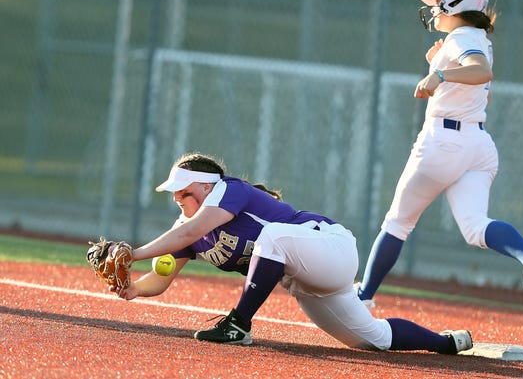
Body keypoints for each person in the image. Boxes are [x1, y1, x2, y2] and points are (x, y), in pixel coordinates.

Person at [112, 152, 473, 354]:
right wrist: (132, 287)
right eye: (174, 193)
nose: (176, 197)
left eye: (183, 190)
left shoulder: (228, 191)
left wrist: (134, 250)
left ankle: (238, 325)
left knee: (273, 237)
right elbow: (161, 278)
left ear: (208, 186)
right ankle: (446, 343)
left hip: (331, 247)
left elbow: (190, 231)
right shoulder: (189, 228)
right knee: (373, 339)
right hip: (305, 279)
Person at [355, 0, 523, 310]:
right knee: (475, 227)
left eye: (438, 3)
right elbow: (482, 93)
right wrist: (439, 63)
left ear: (456, 4)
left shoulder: (462, 38)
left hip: (444, 143)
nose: (434, 10)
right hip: (477, 146)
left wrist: (440, 73)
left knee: (398, 222)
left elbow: (481, 72)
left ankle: (362, 298)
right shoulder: (476, 38)